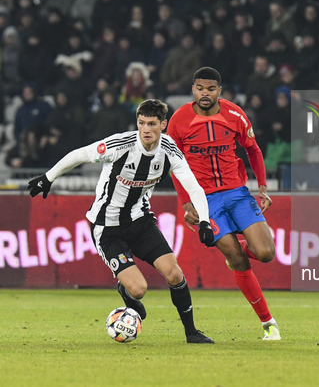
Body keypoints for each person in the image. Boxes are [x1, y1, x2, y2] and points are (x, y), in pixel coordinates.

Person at [27, 99, 215, 344]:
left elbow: (194, 188)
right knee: (139, 289)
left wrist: (204, 222)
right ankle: (126, 291)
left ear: (163, 125)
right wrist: (49, 177)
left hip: (140, 221)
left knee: (174, 273)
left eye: (151, 124)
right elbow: (80, 154)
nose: (145, 129)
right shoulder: (121, 144)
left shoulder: (169, 150)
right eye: (141, 123)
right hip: (107, 228)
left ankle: (191, 333)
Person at [167, 67, 281, 341]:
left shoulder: (234, 114)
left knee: (265, 253)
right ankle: (268, 323)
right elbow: (174, 164)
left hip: (238, 193)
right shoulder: (179, 120)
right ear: (193, 89)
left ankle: (240, 248)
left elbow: (253, 149)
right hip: (205, 202)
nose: (204, 94)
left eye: (210, 89)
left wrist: (262, 187)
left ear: (220, 90)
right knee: (238, 261)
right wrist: (186, 205)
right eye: (199, 88)